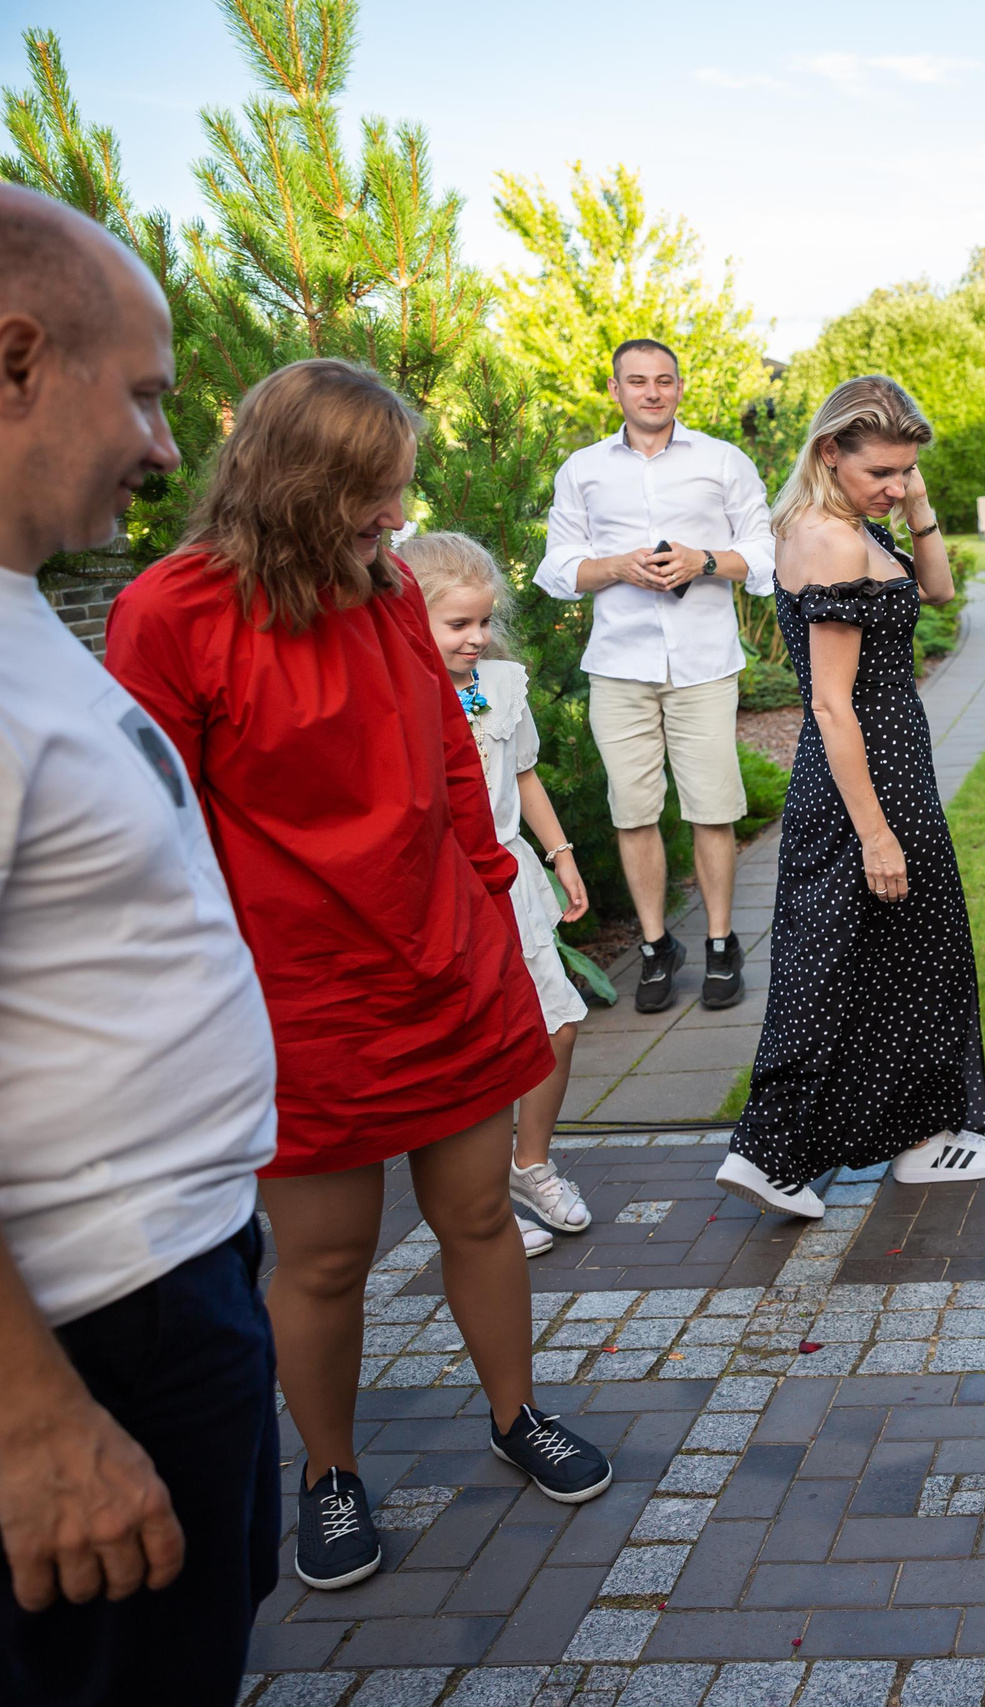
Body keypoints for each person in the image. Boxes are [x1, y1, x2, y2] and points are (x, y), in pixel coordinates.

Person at [107, 358, 613, 1598]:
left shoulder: (385, 588)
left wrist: (490, 898)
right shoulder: (170, 612)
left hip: (445, 963)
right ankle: (330, 1476)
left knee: (481, 1214)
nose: (400, 516)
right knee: (325, 1261)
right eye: (377, 491)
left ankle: (517, 1415)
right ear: (300, 484)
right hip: (299, 999)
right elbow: (147, 823)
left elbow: (447, 747)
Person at [0, 187, 279, 1707]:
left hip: (177, 1262)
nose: (168, 447)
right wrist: (31, 1415)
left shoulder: (23, 610)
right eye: (151, 395)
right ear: (18, 358)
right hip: (87, 1319)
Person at [716, 375, 985, 1217]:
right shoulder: (828, 538)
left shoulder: (851, 522)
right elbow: (827, 700)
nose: (896, 483)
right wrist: (877, 834)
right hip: (864, 774)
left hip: (888, 765)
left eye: (906, 469)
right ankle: (770, 1152)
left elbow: (940, 590)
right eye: (882, 470)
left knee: (907, 957)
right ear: (829, 451)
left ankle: (921, 1138)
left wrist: (916, 505)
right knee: (832, 963)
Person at [533, 338, 776, 1015]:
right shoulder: (582, 470)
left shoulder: (722, 461)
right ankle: (653, 943)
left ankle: (722, 943)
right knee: (633, 811)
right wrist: (615, 566)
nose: (651, 392)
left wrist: (703, 560)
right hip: (619, 665)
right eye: (636, 381)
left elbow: (765, 553)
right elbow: (556, 570)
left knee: (713, 806)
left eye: (663, 380)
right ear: (615, 390)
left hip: (703, 662)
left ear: (678, 387)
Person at [410, 532, 595, 1255]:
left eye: (484, 622)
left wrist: (561, 854)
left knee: (559, 1022)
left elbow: (522, 777)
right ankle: (479, 1201)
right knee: (473, 1046)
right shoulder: (408, 696)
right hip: (450, 888)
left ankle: (530, 1162)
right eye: (458, 624)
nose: (477, 637)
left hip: (514, 877)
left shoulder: (504, 684)